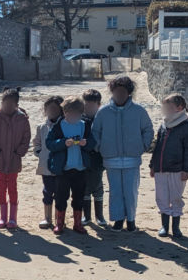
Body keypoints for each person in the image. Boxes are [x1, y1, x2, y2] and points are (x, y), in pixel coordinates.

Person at [91, 76, 153, 232]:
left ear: (129, 93)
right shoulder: (103, 112)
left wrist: (143, 146)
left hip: (132, 159)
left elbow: (147, 129)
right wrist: (100, 147)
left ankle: (131, 220)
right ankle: (118, 220)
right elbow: (95, 131)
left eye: (123, 92)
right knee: (115, 191)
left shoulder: (139, 111)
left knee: (131, 191)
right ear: (112, 91)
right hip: (110, 159)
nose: (120, 95)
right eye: (117, 92)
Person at [148, 93, 188, 238]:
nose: (165, 109)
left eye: (168, 106)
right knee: (161, 196)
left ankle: (176, 227)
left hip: (178, 169)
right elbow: (157, 147)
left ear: (179, 108)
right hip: (161, 167)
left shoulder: (187, 126)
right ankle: (164, 226)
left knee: (176, 197)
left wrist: (187, 169)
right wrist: (152, 165)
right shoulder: (163, 125)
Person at [46, 96, 95, 235]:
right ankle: (60, 223)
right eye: (71, 114)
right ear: (64, 112)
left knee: (79, 196)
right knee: (61, 197)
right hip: (63, 169)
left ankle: (78, 223)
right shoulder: (57, 127)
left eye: (77, 114)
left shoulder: (84, 125)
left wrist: (86, 143)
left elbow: (92, 142)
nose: (74, 117)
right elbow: (49, 143)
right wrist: (63, 143)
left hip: (80, 168)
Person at [0, 87, 31, 229]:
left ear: (16, 105)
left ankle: (12, 218)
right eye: (5, 104)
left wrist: (19, 153)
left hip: (14, 160)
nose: (7, 107)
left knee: (12, 187)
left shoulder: (23, 120)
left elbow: (26, 138)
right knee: (1, 187)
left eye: (11, 104)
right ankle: (3, 217)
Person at [32, 95, 64, 230]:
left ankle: (59, 219)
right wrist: (39, 153)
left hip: (61, 167)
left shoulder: (65, 126)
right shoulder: (41, 127)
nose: (52, 112)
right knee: (47, 191)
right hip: (45, 166)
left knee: (60, 193)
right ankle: (47, 217)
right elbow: (36, 143)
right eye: (50, 109)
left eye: (55, 109)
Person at [81, 89, 107, 227]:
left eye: (92, 105)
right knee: (84, 186)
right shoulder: (79, 120)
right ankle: (86, 215)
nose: (89, 108)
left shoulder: (102, 119)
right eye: (86, 105)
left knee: (97, 186)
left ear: (98, 105)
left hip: (98, 159)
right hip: (83, 159)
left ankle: (99, 215)